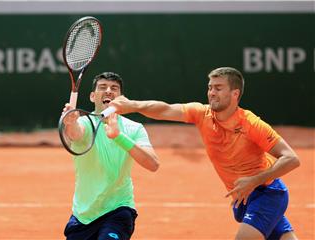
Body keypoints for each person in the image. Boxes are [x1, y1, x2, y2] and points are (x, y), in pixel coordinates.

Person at [110, 67, 300, 240]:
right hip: (242, 197)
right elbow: (165, 109)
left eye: (218, 88)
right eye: (210, 87)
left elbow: (291, 158)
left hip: (267, 193)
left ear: (235, 93)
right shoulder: (202, 114)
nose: (211, 93)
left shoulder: (251, 124)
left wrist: (254, 180)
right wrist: (132, 105)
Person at [61, 72, 159, 240]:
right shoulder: (84, 123)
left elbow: (153, 164)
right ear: (93, 96)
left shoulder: (134, 128)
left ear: (121, 98)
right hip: (83, 215)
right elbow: (75, 133)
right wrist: (70, 123)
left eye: (114, 88)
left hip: (119, 210)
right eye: (102, 87)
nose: (108, 91)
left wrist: (119, 136)